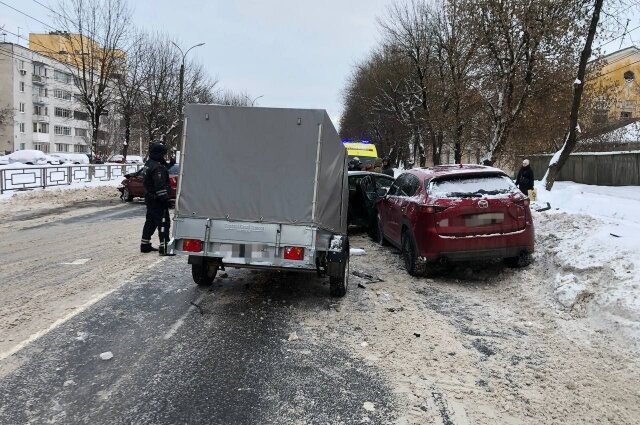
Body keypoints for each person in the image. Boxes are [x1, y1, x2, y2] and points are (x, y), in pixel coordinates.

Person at [140, 142, 174, 256]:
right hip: (157, 200)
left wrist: (170, 164)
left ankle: (145, 245)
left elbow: (162, 167)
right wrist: (165, 200)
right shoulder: (157, 167)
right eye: (163, 154)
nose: (164, 157)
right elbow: (159, 185)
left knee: (150, 221)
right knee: (164, 222)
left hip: (150, 198)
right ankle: (164, 248)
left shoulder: (149, 163)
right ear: (158, 154)